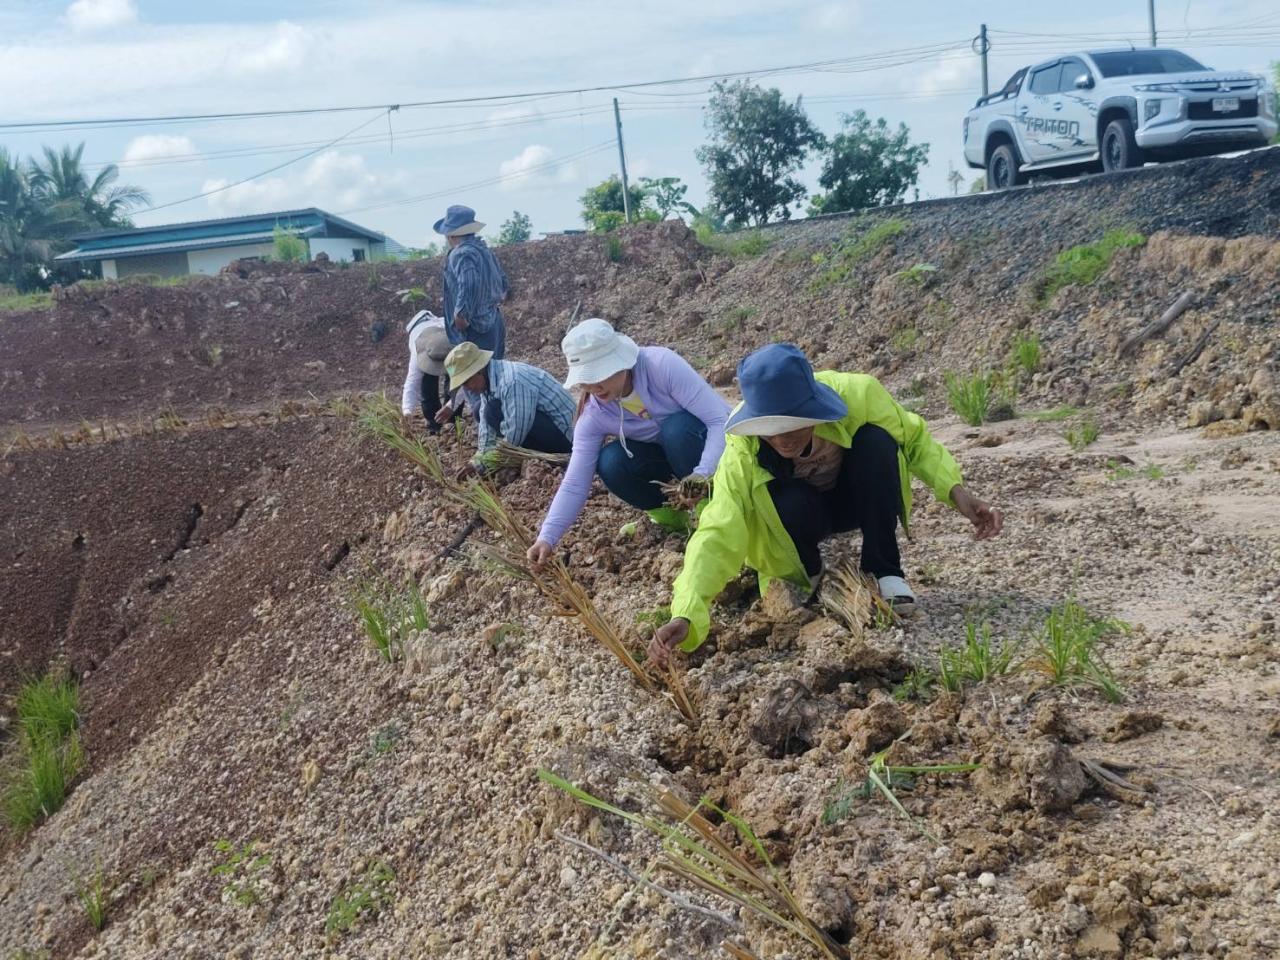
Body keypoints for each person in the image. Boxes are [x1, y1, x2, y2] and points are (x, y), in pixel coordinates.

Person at [648, 343, 1004, 666]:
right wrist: (686, 614)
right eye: (770, 428)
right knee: (787, 499)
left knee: (878, 443)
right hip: (800, 514)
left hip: (856, 498)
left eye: (793, 425)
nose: (783, 438)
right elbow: (719, 527)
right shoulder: (743, 448)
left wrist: (957, 492)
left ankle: (885, 571)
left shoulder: (859, 395)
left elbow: (915, 440)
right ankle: (807, 572)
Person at [527, 318, 731, 568]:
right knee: (611, 462)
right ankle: (674, 519)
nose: (594, 387)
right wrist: (547, 536)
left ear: (620, 361)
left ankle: (715, 510)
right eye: (586, 380)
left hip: (714, 451)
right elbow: (574, 482)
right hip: (673, 463)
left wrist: (703, 472)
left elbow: (720, 419)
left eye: (600, 374)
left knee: (675, 430)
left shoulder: (660, 366)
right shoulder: (594, 415)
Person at [442, 341, 575, 478]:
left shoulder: (512, 381)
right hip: (543, 428)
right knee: (481, 410)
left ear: (479, 371)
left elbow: (515, 435)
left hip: (567, 440)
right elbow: (486, 432)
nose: (467, 389)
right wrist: (477, 460)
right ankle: (522, 455)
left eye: (466, 382)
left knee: (492, 411)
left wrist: (485, 463)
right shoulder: (489, 382)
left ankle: (542, 457)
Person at [432, 204, 509, 426]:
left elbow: (470, 282)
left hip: (476, 328)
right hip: (493, 320)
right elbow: (503, 283)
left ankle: (487, 436)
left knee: (476, 382)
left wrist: (462, 313)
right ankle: (502, 430)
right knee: (493, 379)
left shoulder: (461, 254)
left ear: (451, 233)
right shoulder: (484, 250)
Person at [401, 310, 451, 432]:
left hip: (445, 336)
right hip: (422, 333)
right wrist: (407, 411)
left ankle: (453, 420)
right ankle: (434, 423)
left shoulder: (455, 340)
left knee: (454, 379)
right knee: (427, 382)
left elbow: (464, 382)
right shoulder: (417, 354)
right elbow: (412, 383)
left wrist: (451, 406)